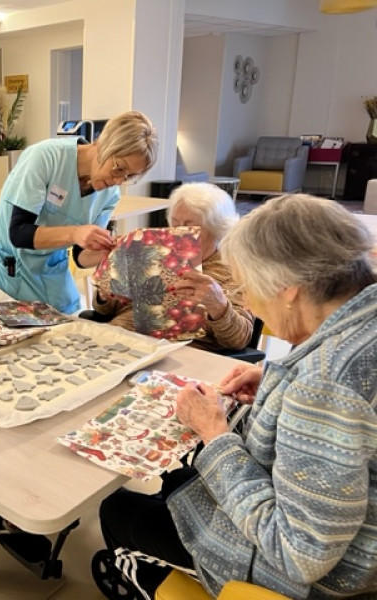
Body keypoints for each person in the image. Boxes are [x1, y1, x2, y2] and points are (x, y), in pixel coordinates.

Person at [97, 194, 377, 598]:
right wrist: (278, 379)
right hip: (347, 536)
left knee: (118, 509)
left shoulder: (324, 386)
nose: (246, 300)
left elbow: (298, 553)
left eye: (248, 287)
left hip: (303, 578)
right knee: (180, 479)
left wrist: (215, 434)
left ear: (288, 289)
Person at [0, 110, 158, 314]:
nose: (118, 181)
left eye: (129, 177)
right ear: (103, 144)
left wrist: (107, 251)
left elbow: (81, 257)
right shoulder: (45, 158)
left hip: (49, 275)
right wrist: (75, 233)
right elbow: (18, 233)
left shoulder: (110, 195)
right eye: (119, 168)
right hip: (6, 272)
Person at [89, 182, 253, 352]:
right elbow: (105, 310)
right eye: (175, 223)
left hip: (182, 354)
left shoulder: (233, 269)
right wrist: (105, 294)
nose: (179, 232)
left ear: (216, 229)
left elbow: (239, 339)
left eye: (189, 226)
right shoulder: (152, 253)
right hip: (122, 339)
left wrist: (219, 306)